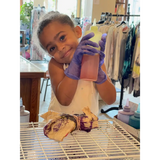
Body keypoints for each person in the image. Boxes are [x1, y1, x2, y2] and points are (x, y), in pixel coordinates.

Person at [36, 11, 116, 116]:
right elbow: (64, 100)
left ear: (77, 32)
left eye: (62, 38)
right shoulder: (56, 65)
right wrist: (75, 65)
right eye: (52, 48)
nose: (60, 48)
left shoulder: (94, 59)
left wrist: (100, 75)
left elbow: (110, 99)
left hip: (88, 127)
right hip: (60, 126)